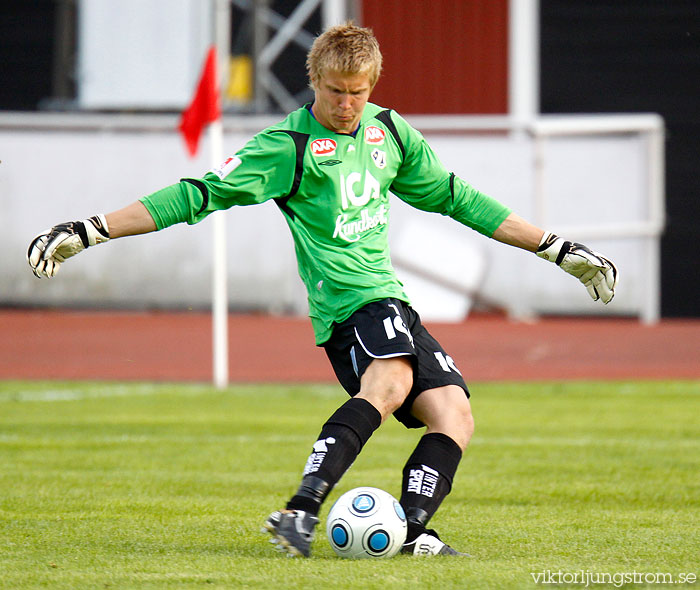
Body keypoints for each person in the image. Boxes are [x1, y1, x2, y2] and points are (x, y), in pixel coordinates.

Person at [27, 23, 618, 557]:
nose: (346, 104)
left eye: (358, 91)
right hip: (347, 305)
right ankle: (300, 511)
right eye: (336, 90)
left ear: (373, 85)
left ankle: (411, 532)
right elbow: (195, 194)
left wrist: (557, 248)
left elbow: (459, 199)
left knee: (454, 415)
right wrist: (92, 229)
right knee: (390, 383)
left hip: (392, 299)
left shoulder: (390, 133)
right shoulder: (287, 147)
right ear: (314, 80)